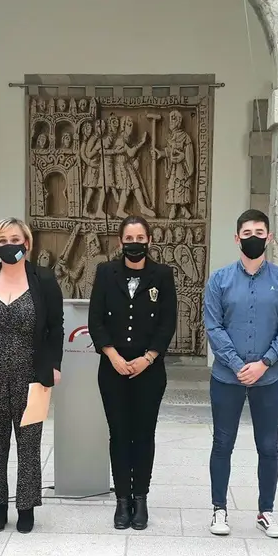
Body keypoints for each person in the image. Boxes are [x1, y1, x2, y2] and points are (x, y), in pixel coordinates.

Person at [0, 218, 64, 533]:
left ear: (28, 243)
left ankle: (26, 506)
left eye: (15, 239)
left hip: (31, 371)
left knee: (29, 442)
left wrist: (53, 366)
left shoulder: (43, 279)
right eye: (3, 240)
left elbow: (55, 327)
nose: (10, 245)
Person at [203, 210, 278, 537]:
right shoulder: (218, 280)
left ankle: (266, 511)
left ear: (269, 237)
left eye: (260, 231)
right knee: (222, 443)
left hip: (268, 378)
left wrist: (264, 362)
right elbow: (214, 327)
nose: (254, 237)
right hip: (227, 378)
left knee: (268, 445)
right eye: (247, 232)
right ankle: (219, 509)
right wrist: (236, 363)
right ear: (237, 238)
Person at [88, 216, 176, 530]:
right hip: (112, 368)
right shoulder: (105, 272)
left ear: (149, 241)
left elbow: (168, 322)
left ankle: (141, 498)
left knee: (143, 434)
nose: (134, 243)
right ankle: (122, 501)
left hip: (149, 370)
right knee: (119, 434)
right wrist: (111, 354)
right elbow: (95, 318)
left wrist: (148, 357)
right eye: (129, 238)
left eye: (140, 237)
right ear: (120, 242)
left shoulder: (162, 275)